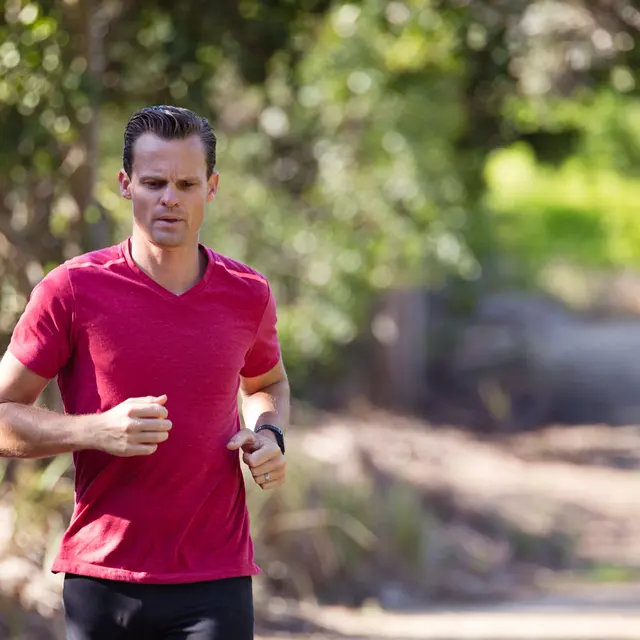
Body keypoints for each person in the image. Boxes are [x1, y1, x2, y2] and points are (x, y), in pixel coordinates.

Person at [0, 105, 289, 639]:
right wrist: (94, 430)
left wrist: (270, 434)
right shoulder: (71, 291)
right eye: (154, 182)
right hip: (104, 578)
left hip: (216, 580)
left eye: (186, 183)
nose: (170, 198)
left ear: (213, 186)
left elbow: (266, 381)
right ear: (125, 184)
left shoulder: (248, 294)